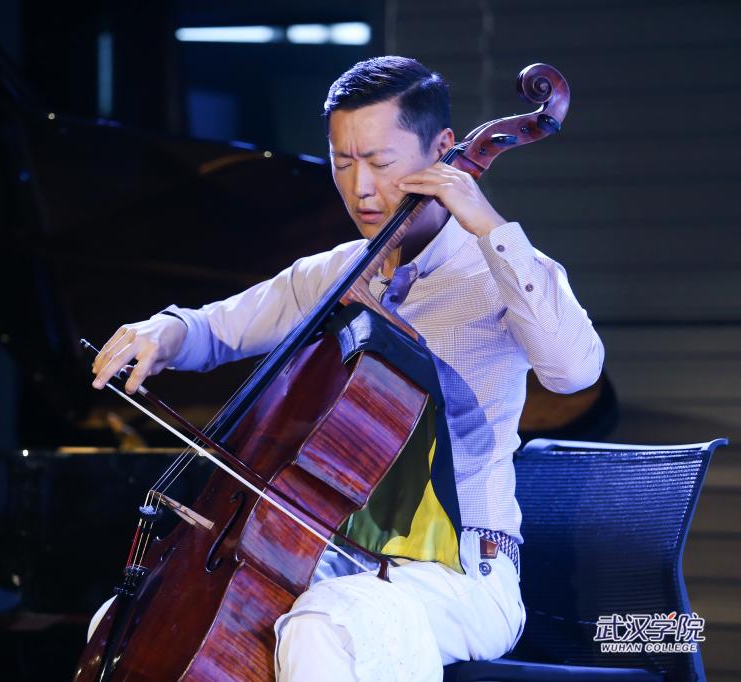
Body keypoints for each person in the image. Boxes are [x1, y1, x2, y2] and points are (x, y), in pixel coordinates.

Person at [88, 56, 604, 681]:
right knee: (129, 619)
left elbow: (574, 370)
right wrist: (163, 331)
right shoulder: (336, 274)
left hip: (459, 576)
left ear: (443, 150)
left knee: (324, 624)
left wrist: (488, 224)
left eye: (381, 163)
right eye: (342, 162)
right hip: (328, 560)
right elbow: (214, 330)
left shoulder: (495, 271)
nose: (360, 188)